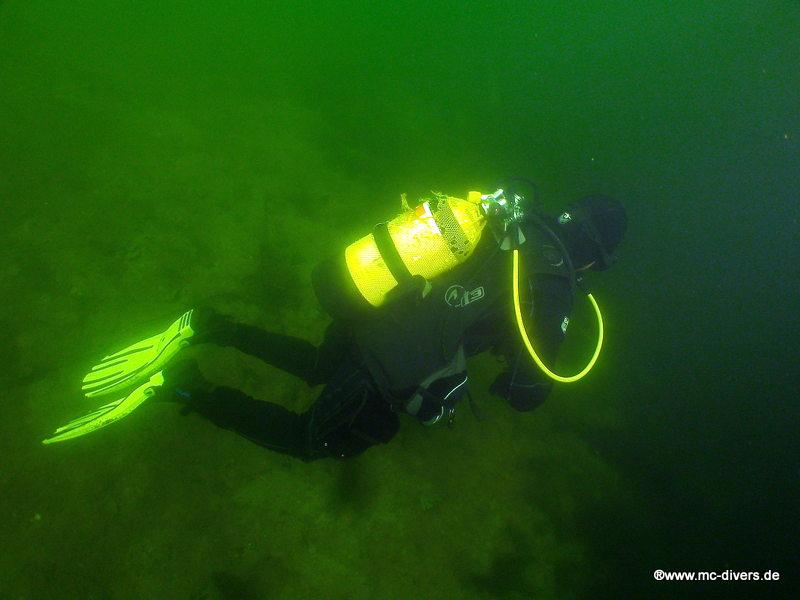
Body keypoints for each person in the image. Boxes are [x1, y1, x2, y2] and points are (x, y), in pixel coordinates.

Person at [43, 189, 627, 460]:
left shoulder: (513, 223)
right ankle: (180, 387)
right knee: (309, 440)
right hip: (392, 361)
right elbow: (528, 391)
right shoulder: (555, 282)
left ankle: (208, 325)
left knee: (319, 365)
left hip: (371, 311)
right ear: (594, 259)